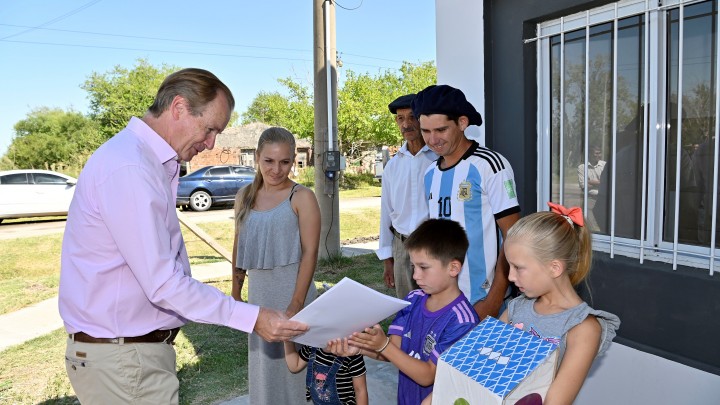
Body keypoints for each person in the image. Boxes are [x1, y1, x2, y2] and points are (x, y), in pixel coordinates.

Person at [59, 68, 308, 405]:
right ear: (178, 108)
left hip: (128, 356)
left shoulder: (142, 161)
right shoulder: (131, 167)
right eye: (209, 129)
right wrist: (251, 316)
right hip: (124, 360)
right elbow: (163, 283)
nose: (211, 144)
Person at [328, 218, 479, 405]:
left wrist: (383, 345)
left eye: (424, 267)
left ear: (453, 268)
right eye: (413, 267)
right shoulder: (413, 299)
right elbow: (394, 351)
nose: (415, 276)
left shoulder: (463, 322)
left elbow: (428, 375)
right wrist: (362, 347)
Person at [411, 84, 521, 319]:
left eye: (441, 130)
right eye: (426, 131)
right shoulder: (430, 173)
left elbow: (513, 237)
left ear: (462, 123)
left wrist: (493, 300)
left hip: (482, 302)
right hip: (443, 301)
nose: (433, 140)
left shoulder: (490, 165)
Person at [232, 126, 321, 404]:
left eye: (285, 161)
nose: (276, 169)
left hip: (294, 295)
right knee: (264, 372)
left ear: (294, 159)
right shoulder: (244, 196)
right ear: (257, 157)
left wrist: (295, 304)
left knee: (295, 374)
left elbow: (310, 253)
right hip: (260, 299)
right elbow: (238, 247)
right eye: (268, 161)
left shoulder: (302, 197)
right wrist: (236, 295)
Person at [500, 202, 620, 404]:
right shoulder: (516, 308)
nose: (510, 276)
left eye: (518, 267)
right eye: (508, 266)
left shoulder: (582, 328)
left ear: (554, 268)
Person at [376, 93, 438, 298]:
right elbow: (386, 212)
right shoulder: (393, 166)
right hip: (402, 246)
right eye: (400, 118)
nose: (406, 124)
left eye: (412, 117)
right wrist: (388, 258)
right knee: (407, 307)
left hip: (433, 246)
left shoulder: (439, 160)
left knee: (435, 304)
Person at [283, 341, 368, 405]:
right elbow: (294, 366)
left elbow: (360, 390)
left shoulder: (352, 353)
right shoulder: (312, 347)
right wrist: (287, 340)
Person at [577, 144, 606, 231]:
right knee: (590, 226)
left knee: (603, 226)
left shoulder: (605, 165)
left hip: (603, 199)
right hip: (590, 199)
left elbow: (608, 183)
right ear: (589, 154)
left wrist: (589, 181)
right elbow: (583, 185)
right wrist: (600, 183)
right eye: (595, 154)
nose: (598, 155)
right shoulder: (582, 167)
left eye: (599, 153)